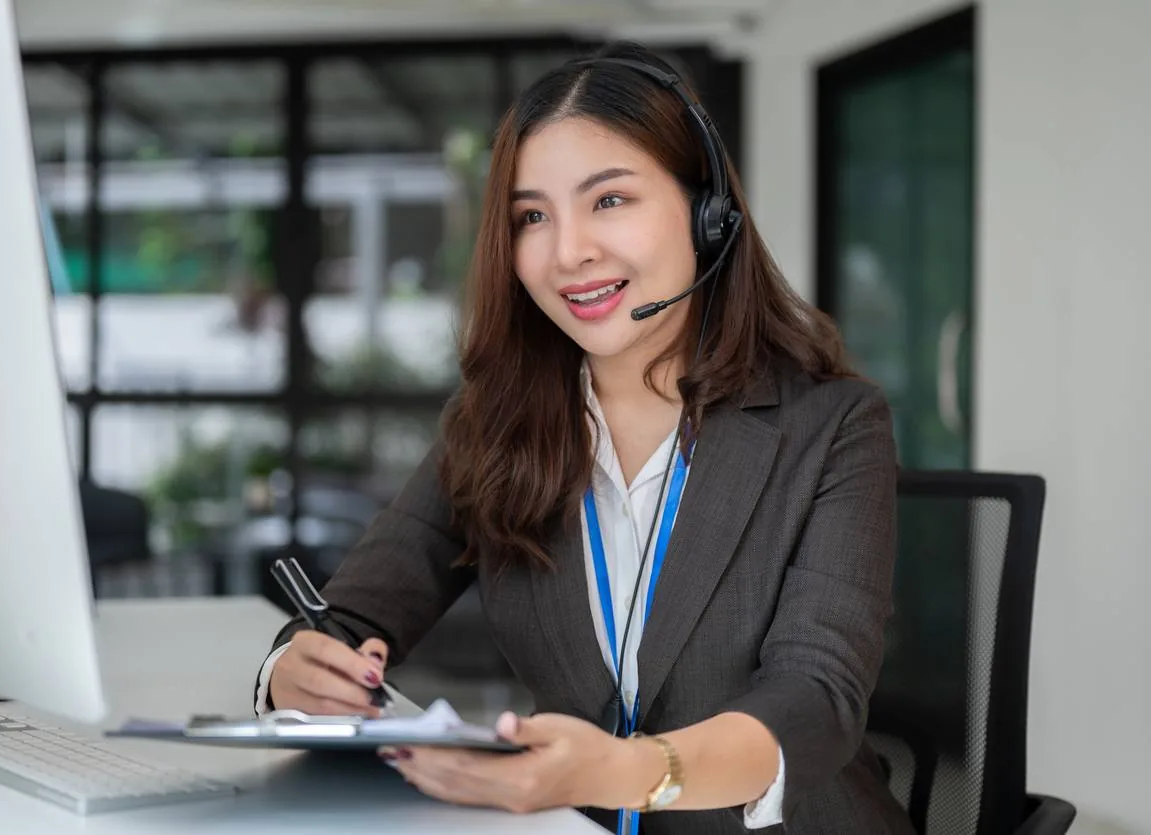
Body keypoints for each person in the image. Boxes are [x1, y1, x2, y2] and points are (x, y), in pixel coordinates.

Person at [254, 41, 913, 835]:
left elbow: (816, 698)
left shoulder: (830, 425)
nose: (568, 253)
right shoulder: (493, 424)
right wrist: (293, 667)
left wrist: (629, 772)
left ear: (707, 212)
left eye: (609, 200)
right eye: (532, 216)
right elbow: (353, 612)